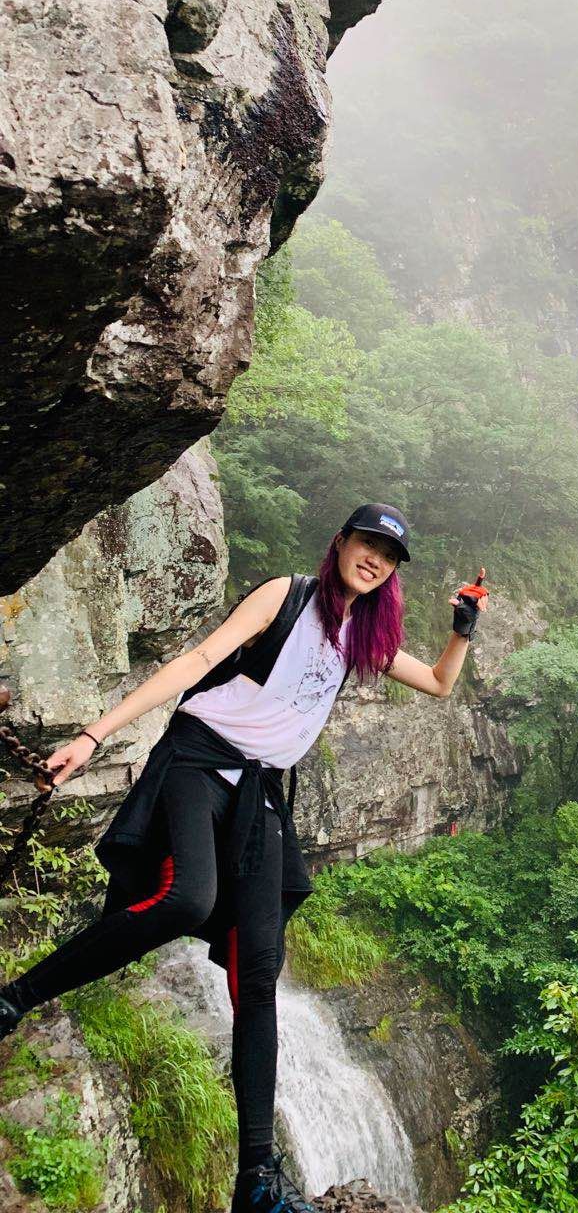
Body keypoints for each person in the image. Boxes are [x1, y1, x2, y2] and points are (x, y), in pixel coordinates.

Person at [0, 503, 488, 1213]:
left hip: (258, 793)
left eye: (389, 557)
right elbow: (197, 661)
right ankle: (14, 999)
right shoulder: (287, 595)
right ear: (341, 543)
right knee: (188, 899)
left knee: (258, 972)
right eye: (367, 544)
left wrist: (462, 630)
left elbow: (441, 683)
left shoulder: (365, 636)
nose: (375, 560)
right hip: (199, 760)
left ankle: (256, 1179)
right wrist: (93, 737)